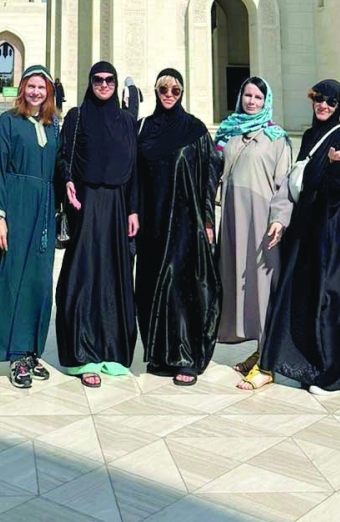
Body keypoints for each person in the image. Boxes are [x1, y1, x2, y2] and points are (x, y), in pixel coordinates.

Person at [259, 79, 340, 394]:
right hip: (307, 229)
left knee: (329, 299)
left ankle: (333, 376)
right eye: (319, 99)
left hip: (331, 235)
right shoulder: (311, 135)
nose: (323, 106)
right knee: (305, 296)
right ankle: (308, 365)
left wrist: (336, 167)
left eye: (331, 102)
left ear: (339, 107)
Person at [55, 61, 139, 386]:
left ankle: (112, 352)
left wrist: (133, 210)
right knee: (84, 274)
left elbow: (133, 170)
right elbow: (64, 156)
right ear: (89, 83)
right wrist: (67, 181)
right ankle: (83, 353)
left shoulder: (126, 121)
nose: (104, 85)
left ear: (116, 85)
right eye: (98, 80)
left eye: (109, 80)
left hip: (117, 205)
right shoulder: (76, 117)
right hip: (85, 204)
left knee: (114, 276)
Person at [135, 69, 221, 386]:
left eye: (175, 90)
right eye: (163, 89)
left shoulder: (195, 129)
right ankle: (160, 355)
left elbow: (210, 175)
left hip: (186, 221)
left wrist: (208, 220)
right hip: (152, 223)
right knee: (152, 286)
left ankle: (185, 356)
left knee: (181, 285)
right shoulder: (145, 128)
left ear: (182, 93)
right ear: (155, 91)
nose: (169, 94)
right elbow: (133, 175)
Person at [0, 64, 60, 388]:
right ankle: (14, 355)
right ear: (22, 88)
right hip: (16, 207)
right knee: (13, 279)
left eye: (41, 87)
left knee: (39, 282)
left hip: (44, 211)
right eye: (31, 86)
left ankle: (31, 351)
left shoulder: (53, 126)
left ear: (49, 92)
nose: (36, 92)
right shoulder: (9, 122)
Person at [215, 76, 292, 388]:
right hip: (233, 218)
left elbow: (284, 184)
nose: (252, 101)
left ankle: (267, 364)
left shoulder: (276, 137)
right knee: (239, 282)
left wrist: (280, 219)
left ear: (266, 101)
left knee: (262, 286)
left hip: (262, 222)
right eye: (247, 95)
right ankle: (259, 350)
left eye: (258, 97)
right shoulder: (229, 133)